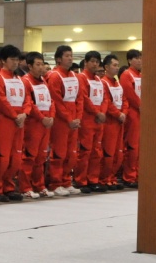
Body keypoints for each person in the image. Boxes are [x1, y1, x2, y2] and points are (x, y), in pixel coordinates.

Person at [0, 44, 30, 202]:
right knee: (3, 157)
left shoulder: (19, 79)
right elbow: (1, 100)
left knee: (16, 157)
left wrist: (24, 114)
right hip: (5, 120)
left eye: (17, 60)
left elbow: (28, 99)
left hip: (19, 121)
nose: (16, 63)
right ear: (3, 61)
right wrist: (15, 115)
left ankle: (9, 186)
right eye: (12, 59)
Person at [45, 45, 82, 196]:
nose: (70, 58)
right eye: (67, 56)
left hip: (73, 117)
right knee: (59, 152)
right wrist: (68, 119)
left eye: (71, 55)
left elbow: (80, 98)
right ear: (58, 59)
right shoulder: (54, 76)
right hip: (61, 120)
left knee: (71, 153)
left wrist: (78, 117)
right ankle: (55, 183)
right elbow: (57, 100)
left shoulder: (74, 76)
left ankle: (66, 181)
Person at [20, 51, 55, 199]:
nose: (41, 68)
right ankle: (25, 187)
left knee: (41, 156)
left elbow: (51, 100)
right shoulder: (25, 81)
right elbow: (30, 103)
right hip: (33, 124)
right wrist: (42, 118)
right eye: (38, 65)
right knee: (29, 156)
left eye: (42, 64)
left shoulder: (43, 81)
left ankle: (39, 185)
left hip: (45, 124)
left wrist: (51, 116)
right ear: (30, 66)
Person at [74, 51, 107, 193]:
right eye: (92, 61)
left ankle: (93, 179)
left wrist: (103, 112)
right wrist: (97, 112)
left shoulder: (99, 80)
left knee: (96, 151)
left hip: (99, 120)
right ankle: (81, 180)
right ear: (86, 63)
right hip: (88, 119)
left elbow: (105, 98)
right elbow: (84, 98)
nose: (95, 64)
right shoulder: (81, 78)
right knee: (85, 151)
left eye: (97, 62)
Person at [99, 54, 128, 190]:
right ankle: (104, 178)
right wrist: (118, 114)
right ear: (106, 67)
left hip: (119, 121)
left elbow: (125, 100)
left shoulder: (117, 83)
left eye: (117, 65)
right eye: (114, 65)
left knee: (118, 151)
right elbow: (107, 102)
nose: (117, 68)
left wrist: (124, 113)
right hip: (110, 122)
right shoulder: (103, 82)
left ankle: (112, 177)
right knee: (108, 151)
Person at [120, 49, 142, 188]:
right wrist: (140, 105)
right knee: (132, 146)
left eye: (141, 58)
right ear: (129, 60)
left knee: (140, 147)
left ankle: (139, 174)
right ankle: (129, 176)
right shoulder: (126, 75)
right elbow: (128, 93)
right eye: (137, 58)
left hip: (142, 113)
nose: (140, 61)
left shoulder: (142, 75)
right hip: (134, 113)